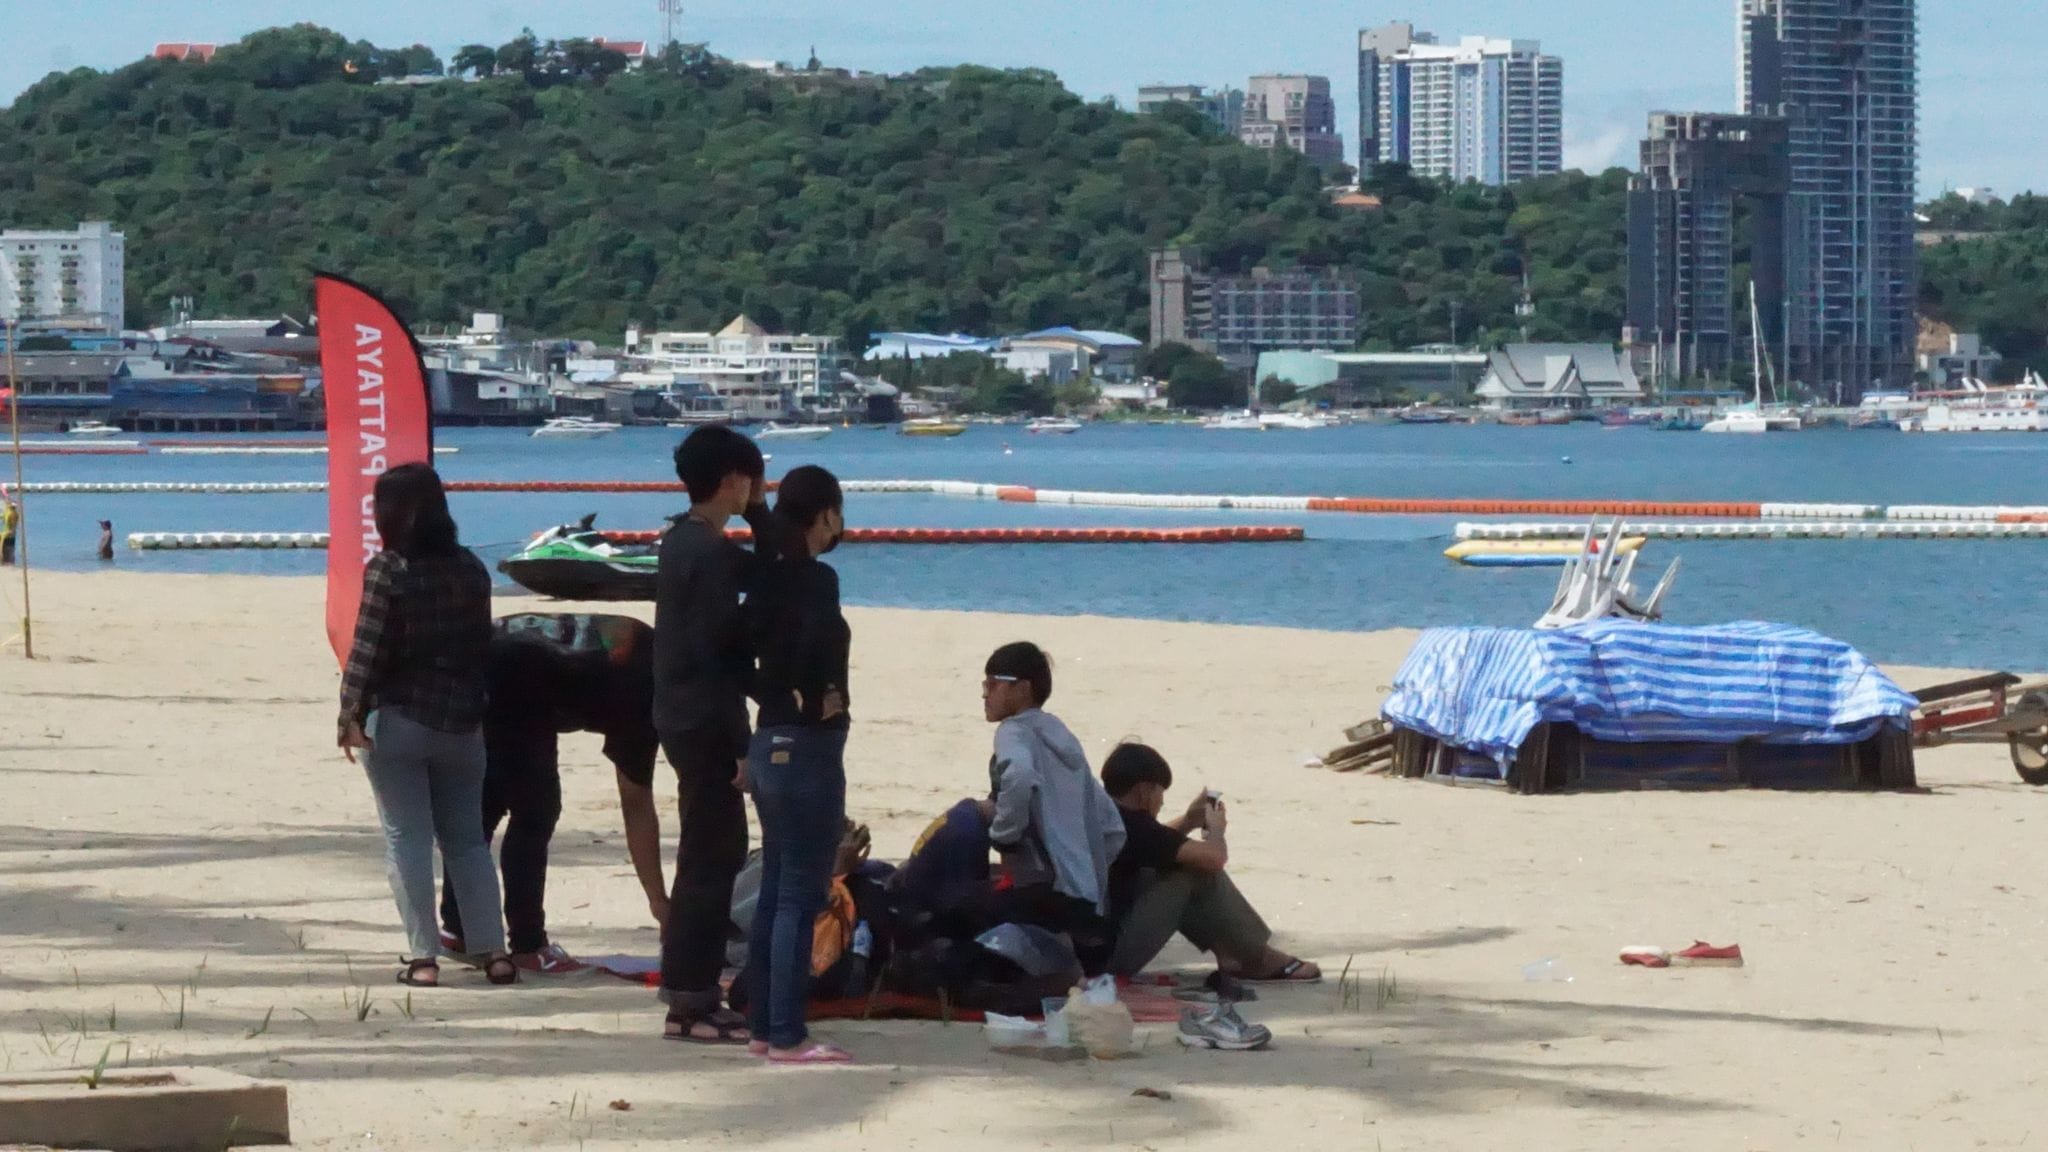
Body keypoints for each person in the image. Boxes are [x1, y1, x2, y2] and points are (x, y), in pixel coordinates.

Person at [336, 463, 515, 988]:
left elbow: (367, 648)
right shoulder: (470, 568)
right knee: (467, 842)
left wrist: (349, 714)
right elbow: (483, 646)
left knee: (407, 839)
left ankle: (423, 958)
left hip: (401, 719)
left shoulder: (390, 568)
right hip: (463, 722)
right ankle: (493, 951)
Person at [437, 614, 667, 976]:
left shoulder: (646, 642)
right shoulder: (647, 694)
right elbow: (636, 803)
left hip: (481, 657)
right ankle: (528, 945)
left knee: (486, 806)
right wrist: (660, 903)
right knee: (535, 811)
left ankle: (459, 929)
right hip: (516, 680)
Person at [652, 425, 777, 1042]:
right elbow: (720, 653)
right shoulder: (705, 551)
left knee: (707, 852)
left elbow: (772, 570)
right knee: (712, 857)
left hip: (681, 713)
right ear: (733, 479)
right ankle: (691, 999)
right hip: (706, 719)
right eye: (754, 481)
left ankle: (689, 992)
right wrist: (740, 744)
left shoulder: (684, 540)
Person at [740, 465, 854, 1063]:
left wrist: (775, 697)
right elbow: (806, 645)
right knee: (798, 895)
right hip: (808, 746)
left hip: (769, 742)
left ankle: (764, 1025)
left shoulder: (765, 575)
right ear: (826, 514)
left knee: (775, 891)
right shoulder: (815, 579)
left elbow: (737, 652)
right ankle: (786, 1033)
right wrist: (811, 699)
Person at [1099, 741, 1320, 986]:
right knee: (1193, 870)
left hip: (1092, 948)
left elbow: (1153, 846)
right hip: (1107, 959)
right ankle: (1254, 957)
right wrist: (1216, 830)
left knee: (1173, 864)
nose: (1161, 801)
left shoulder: (1105, 815)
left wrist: (1188, 820)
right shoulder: (1134, 827)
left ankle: (1237, 953)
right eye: (1160, 792)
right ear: (1144, 791)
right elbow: (1213, 859)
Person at [975, 642, 1125, 975]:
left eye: (994, 684)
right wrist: (1085, 871)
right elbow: (1113, 829)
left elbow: (1019, 776)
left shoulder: (1013, 731)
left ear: (1023, 689)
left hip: (1047, 898)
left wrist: (1004, 836)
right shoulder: (1064, 739)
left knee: (960, 913)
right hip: (1087, 904)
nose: (985, 694)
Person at [1, 493, 17, 565]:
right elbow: (3, 516)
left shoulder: (13, 513)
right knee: (6, 549)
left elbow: (13, 524)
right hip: (6, 533)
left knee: (8, 548)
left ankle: (7, 561)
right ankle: (6, 561)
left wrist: (12, 531)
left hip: (9, 533)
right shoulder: (9, 512)